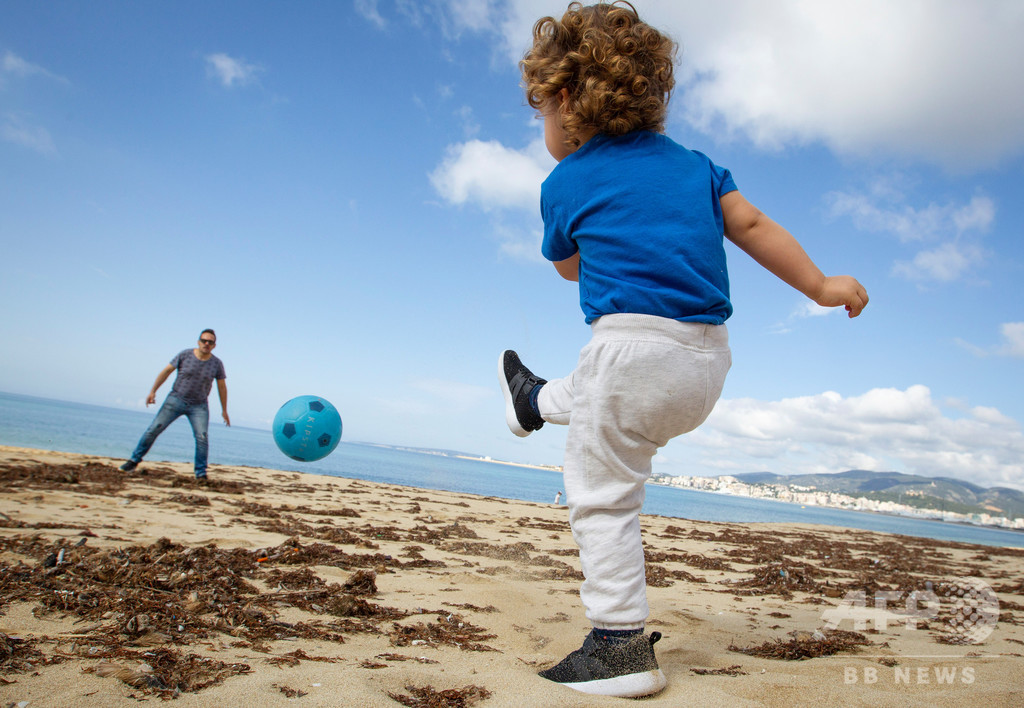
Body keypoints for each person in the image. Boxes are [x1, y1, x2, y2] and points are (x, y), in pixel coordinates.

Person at [498, 2, 868, 699]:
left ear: (568, 98)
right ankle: (531, 400)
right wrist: (820, 285)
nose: (542, 123)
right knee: (600, 393)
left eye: (541, 108)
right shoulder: (699, 168)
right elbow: (754, 225)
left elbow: (570, 267)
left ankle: (617, 646)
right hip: (704, 363)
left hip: (629, 350)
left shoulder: (564, 183)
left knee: (603, 497)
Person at [120, 329, 230, 480]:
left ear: (214, 346)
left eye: (210, 342)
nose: (206, 344)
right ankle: (133, 461)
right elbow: (166, 371)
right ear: (198, 342)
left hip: (199, 406)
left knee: (202, 438)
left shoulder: (217, 364)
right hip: (176, 399)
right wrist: (153, 391)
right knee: (153, 430)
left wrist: (224, 410)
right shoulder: (184, 355)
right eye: (204, 340)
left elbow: (222, 387)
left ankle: (201, 473)